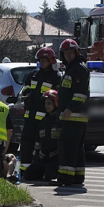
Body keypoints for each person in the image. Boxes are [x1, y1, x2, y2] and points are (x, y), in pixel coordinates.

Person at [50, 39, 89, 186]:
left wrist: (69, 108)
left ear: (76, 52)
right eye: (65, 53)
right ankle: (77, 177)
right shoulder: (72, 68)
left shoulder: (78, 69)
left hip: (74, 116)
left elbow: (80, 94)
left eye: (70, 53)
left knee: (67, 147)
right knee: (76, 148)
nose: (68, 56)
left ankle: (65, 178)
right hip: (74, 116)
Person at [18, 47, 62, 177]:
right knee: (26, 143)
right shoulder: (34, 74)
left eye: (44, 60)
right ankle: (24, 171)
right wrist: (26, 94)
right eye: (40, 60)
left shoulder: (56, 77)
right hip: (29, 117)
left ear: (51, 60)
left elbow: (57, 97)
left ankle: (38, 171)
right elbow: (25, 87)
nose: (42, 62)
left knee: (40, 146)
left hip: (44, 119)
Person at [23, 90, 61, 182]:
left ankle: (49, 173)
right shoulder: (43, 121)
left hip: (55, 158)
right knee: (27, 175)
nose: (46, 106)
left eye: (49, 103)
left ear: (56, 104)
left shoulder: (60, 121)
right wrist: (37, 155)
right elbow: (38, 140)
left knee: (49, 177)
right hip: (43, 158)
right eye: (45, 103)